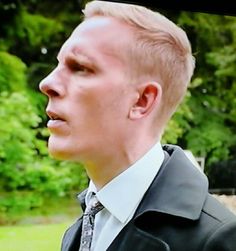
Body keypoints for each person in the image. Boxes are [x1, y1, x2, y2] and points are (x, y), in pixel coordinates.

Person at [39, 1, 236, 250]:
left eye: (80, 67)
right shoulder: (86, 223)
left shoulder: (217, 240)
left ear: (142, 101)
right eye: (57, 65)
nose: (47, 83)